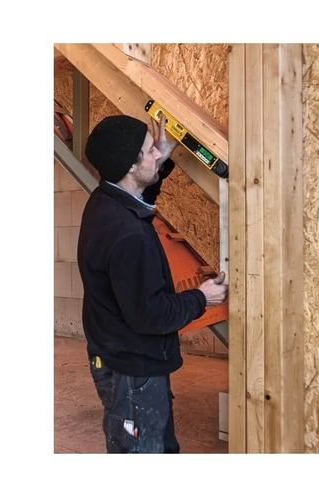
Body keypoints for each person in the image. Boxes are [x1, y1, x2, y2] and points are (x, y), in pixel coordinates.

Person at [77, 113, 228, 453]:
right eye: (150, 150)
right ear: (130, 166)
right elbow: (152, 315)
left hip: (116, 356)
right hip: (133, 372)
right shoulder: (129, 235)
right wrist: (202, 298)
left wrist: (160, 159)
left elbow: (137, 199)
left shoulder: (106, 201)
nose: (158, 151)